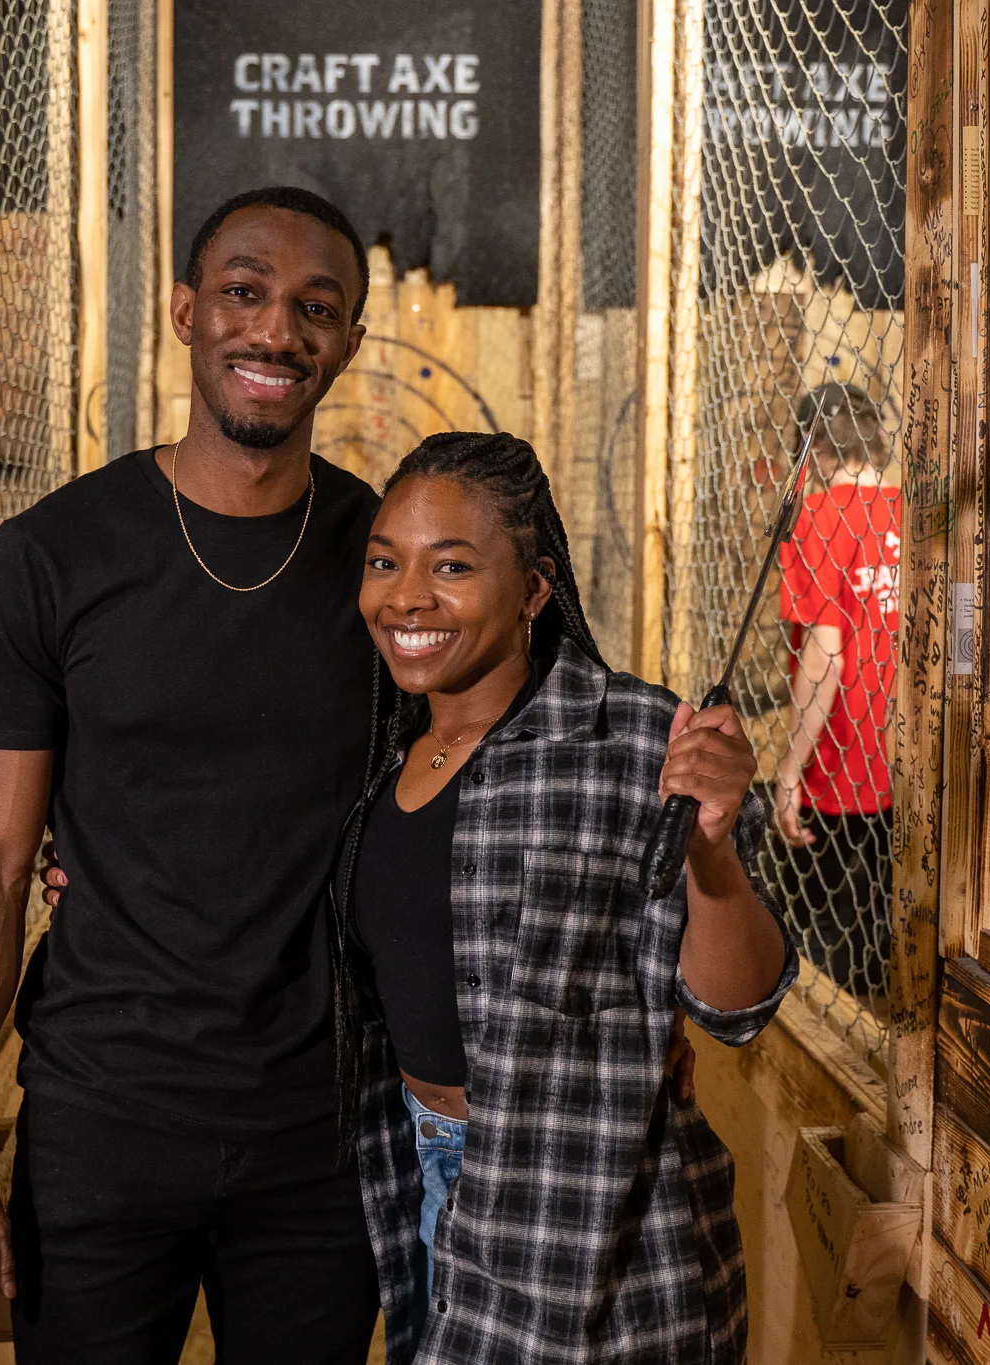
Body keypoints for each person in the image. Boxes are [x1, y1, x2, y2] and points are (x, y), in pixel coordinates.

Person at [0, 185, 386, 1363]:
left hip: (318, 1133)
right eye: (243, 292)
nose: (276, 330)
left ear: (348, 344)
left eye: (314, 308)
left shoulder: (386, 568)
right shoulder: (53, 558)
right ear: (184, 312)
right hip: (104, 1119)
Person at [338, 431, 795, 1364]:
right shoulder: (379, 754)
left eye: (452, 566)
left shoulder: (634, 742)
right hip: (420, 1180)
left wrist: (710, 849)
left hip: (588, 1233)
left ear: (535, 590)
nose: (407, 597)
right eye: (385, 562)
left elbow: (738, 1008)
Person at [772, 382, 899, 1000]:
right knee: (882, 930)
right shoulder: (913, 512)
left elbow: (825, 653)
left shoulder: (821, 518)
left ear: (816, 449)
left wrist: (789, 768)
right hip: (908, 757)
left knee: (807, 938)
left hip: (840, 758)